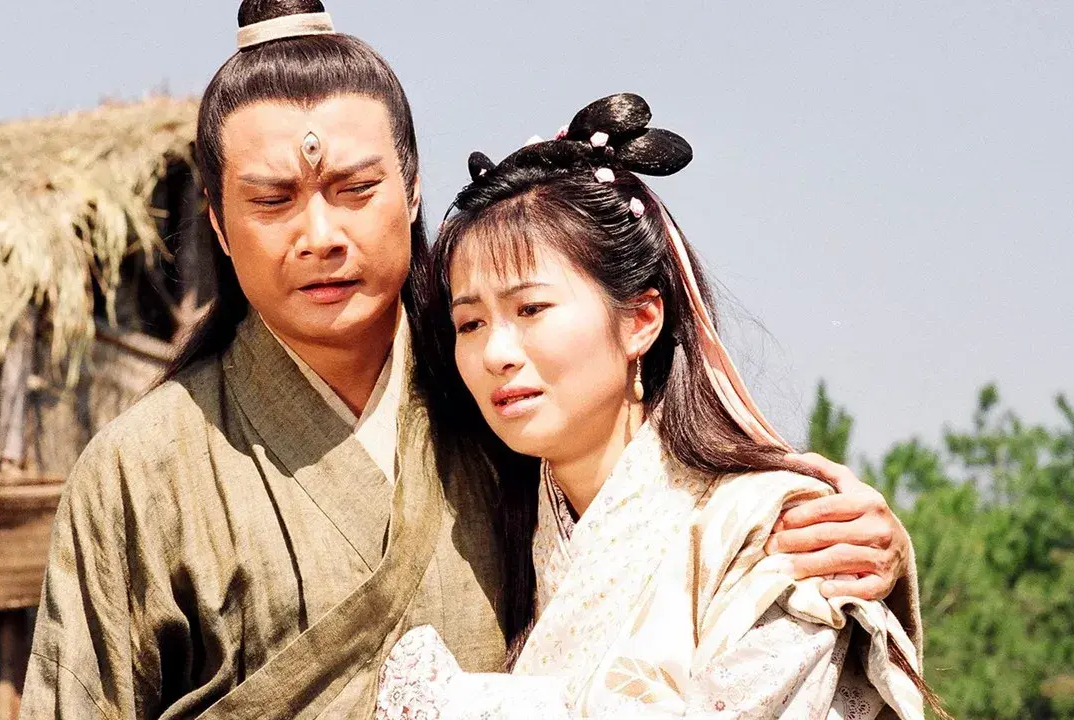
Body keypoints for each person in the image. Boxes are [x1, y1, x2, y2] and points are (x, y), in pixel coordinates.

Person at [20, 3, 920, 718]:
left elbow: (679, 538)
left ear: (412, 189)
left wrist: (849, 538)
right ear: (219, 223)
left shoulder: (500, 403)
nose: (319, 234)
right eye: (273, 201)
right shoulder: (141, 468)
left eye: (355, 188)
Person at [374, 94, 941, 718]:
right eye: (470, 323)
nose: (496, 353)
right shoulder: (499, 525)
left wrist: (455, 702)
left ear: (641, 319)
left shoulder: (767, 531)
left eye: (531, 308)